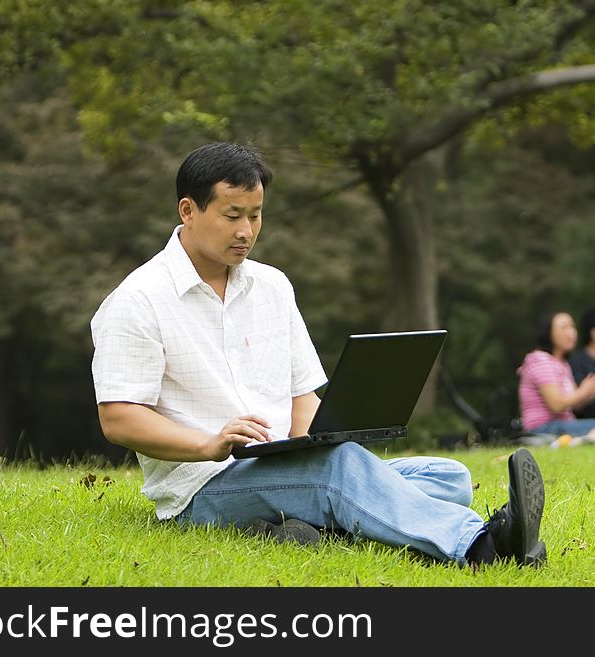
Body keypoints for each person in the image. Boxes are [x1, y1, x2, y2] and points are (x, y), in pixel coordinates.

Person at [90, 141, 547, 568]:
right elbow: (119, 418)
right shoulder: (138, 299)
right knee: (340, 477)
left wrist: (322, 442)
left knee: (447, 476)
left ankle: (309, 526)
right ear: (188, 211)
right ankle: (484, 545)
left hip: (280, 465)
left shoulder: (272, 286)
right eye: (232, 216)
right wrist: (208, 445)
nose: (246, 231)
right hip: (204, 487)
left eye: (256, 215)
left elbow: (302, 397)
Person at [517, 311, 595, 439]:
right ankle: (583, 441)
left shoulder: (562, 364)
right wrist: (584, 390)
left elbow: (575, 405)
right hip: (543, 427)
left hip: (561, 425)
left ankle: (583, 440)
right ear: (548, 332)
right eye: (564, 327)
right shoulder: (541, 360)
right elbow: (557, 405)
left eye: (572, 327)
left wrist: (594, 390)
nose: (571, 332)